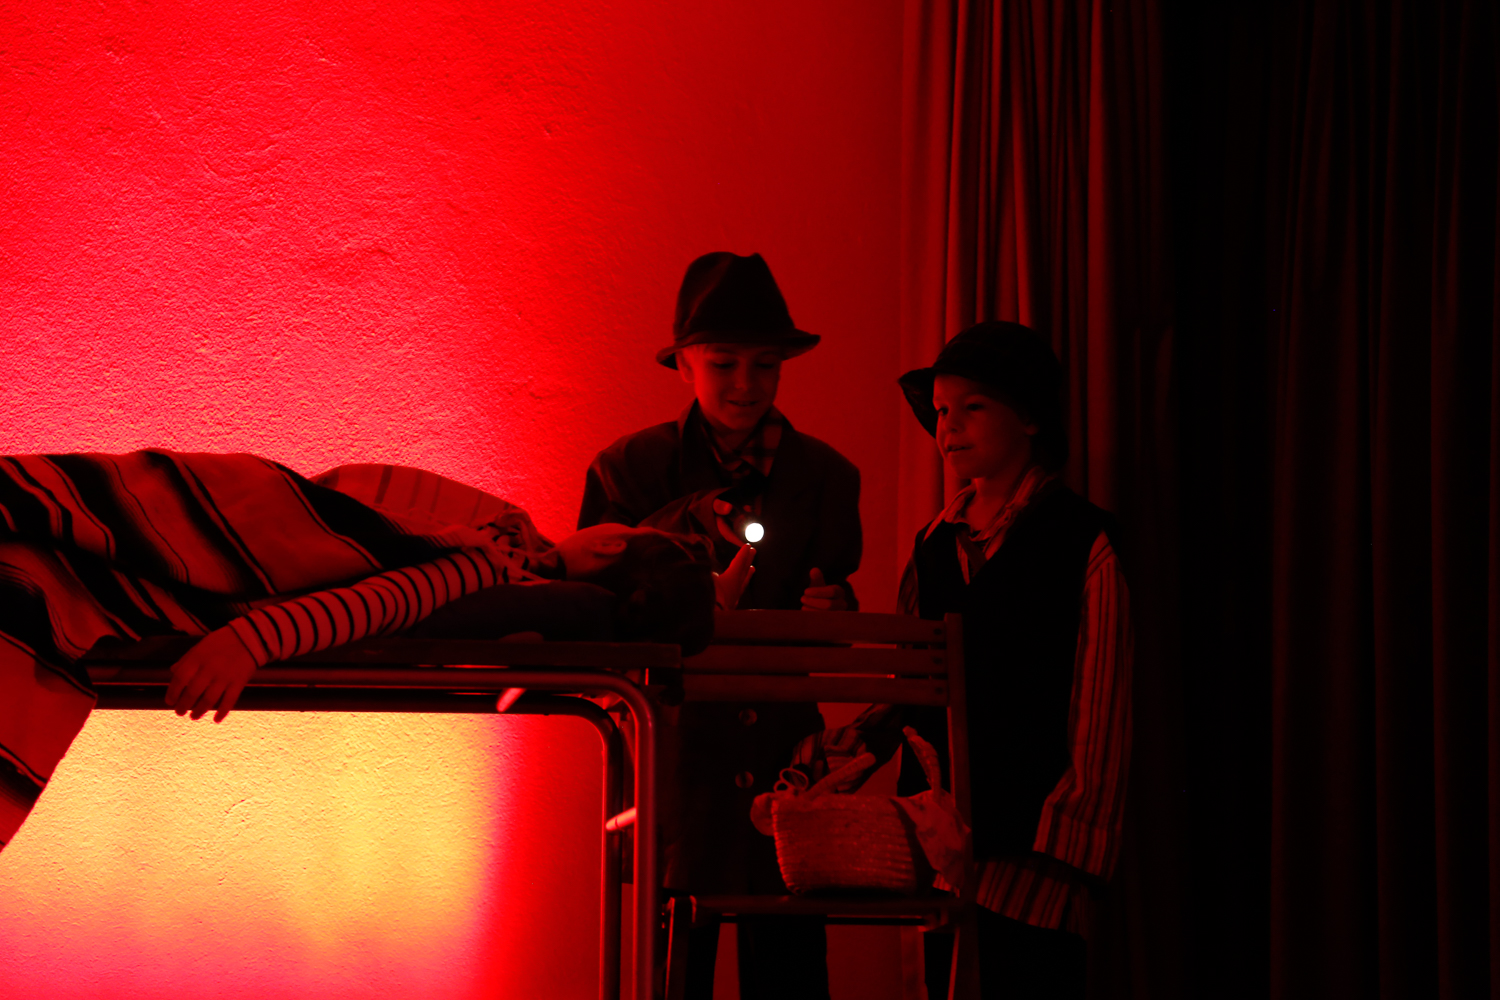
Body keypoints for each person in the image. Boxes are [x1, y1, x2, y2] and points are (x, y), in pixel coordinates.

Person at [577, 251, 861, 1000]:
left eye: (765, 365)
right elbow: (592, 595)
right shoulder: (628, 470)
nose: (746, 384)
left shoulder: (827, 477)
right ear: (684, 365)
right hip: (677, 747)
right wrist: (687, 525)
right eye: (724, 363)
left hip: (784, 750)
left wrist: (835, 609)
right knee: (671, 952)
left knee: (789, 953)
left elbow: (836, 604)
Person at [893, 321, 1133, 999]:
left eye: (972, 407)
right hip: (942, 846)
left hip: (1037, 856)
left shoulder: (1082, 539)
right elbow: (909, 681)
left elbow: (1101, 705)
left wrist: (1064, 841)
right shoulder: (933, 546)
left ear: (1027, 417)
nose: (949, 426)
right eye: (941, 411)